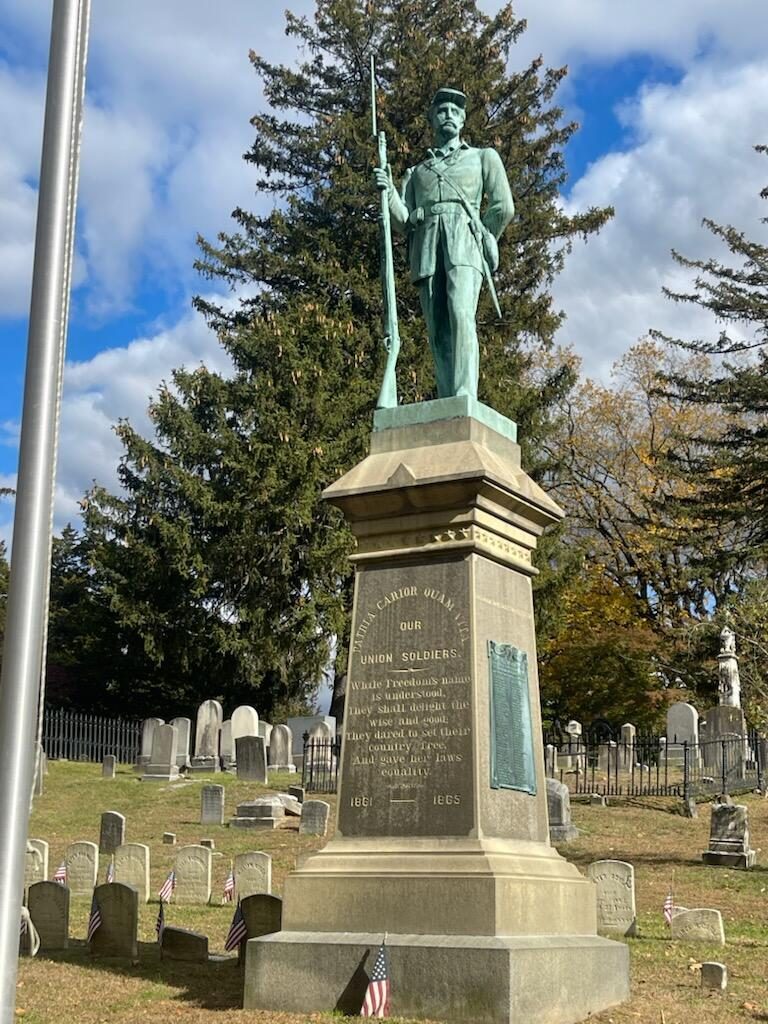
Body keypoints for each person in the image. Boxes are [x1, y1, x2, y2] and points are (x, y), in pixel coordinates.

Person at [374, 88, 514, 400]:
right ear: (432, 119)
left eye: (454, 110)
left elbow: (503, 207)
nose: (448, 115)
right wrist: (388, 192)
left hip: (464, 244)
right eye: (441, 110)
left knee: (460, 313)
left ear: (463, 119)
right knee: (437, 328)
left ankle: (464, 394)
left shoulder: (481, 157)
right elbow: (403, 221)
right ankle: (447, 396)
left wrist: (481, 232)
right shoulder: (416, 172)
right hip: (426, 249)